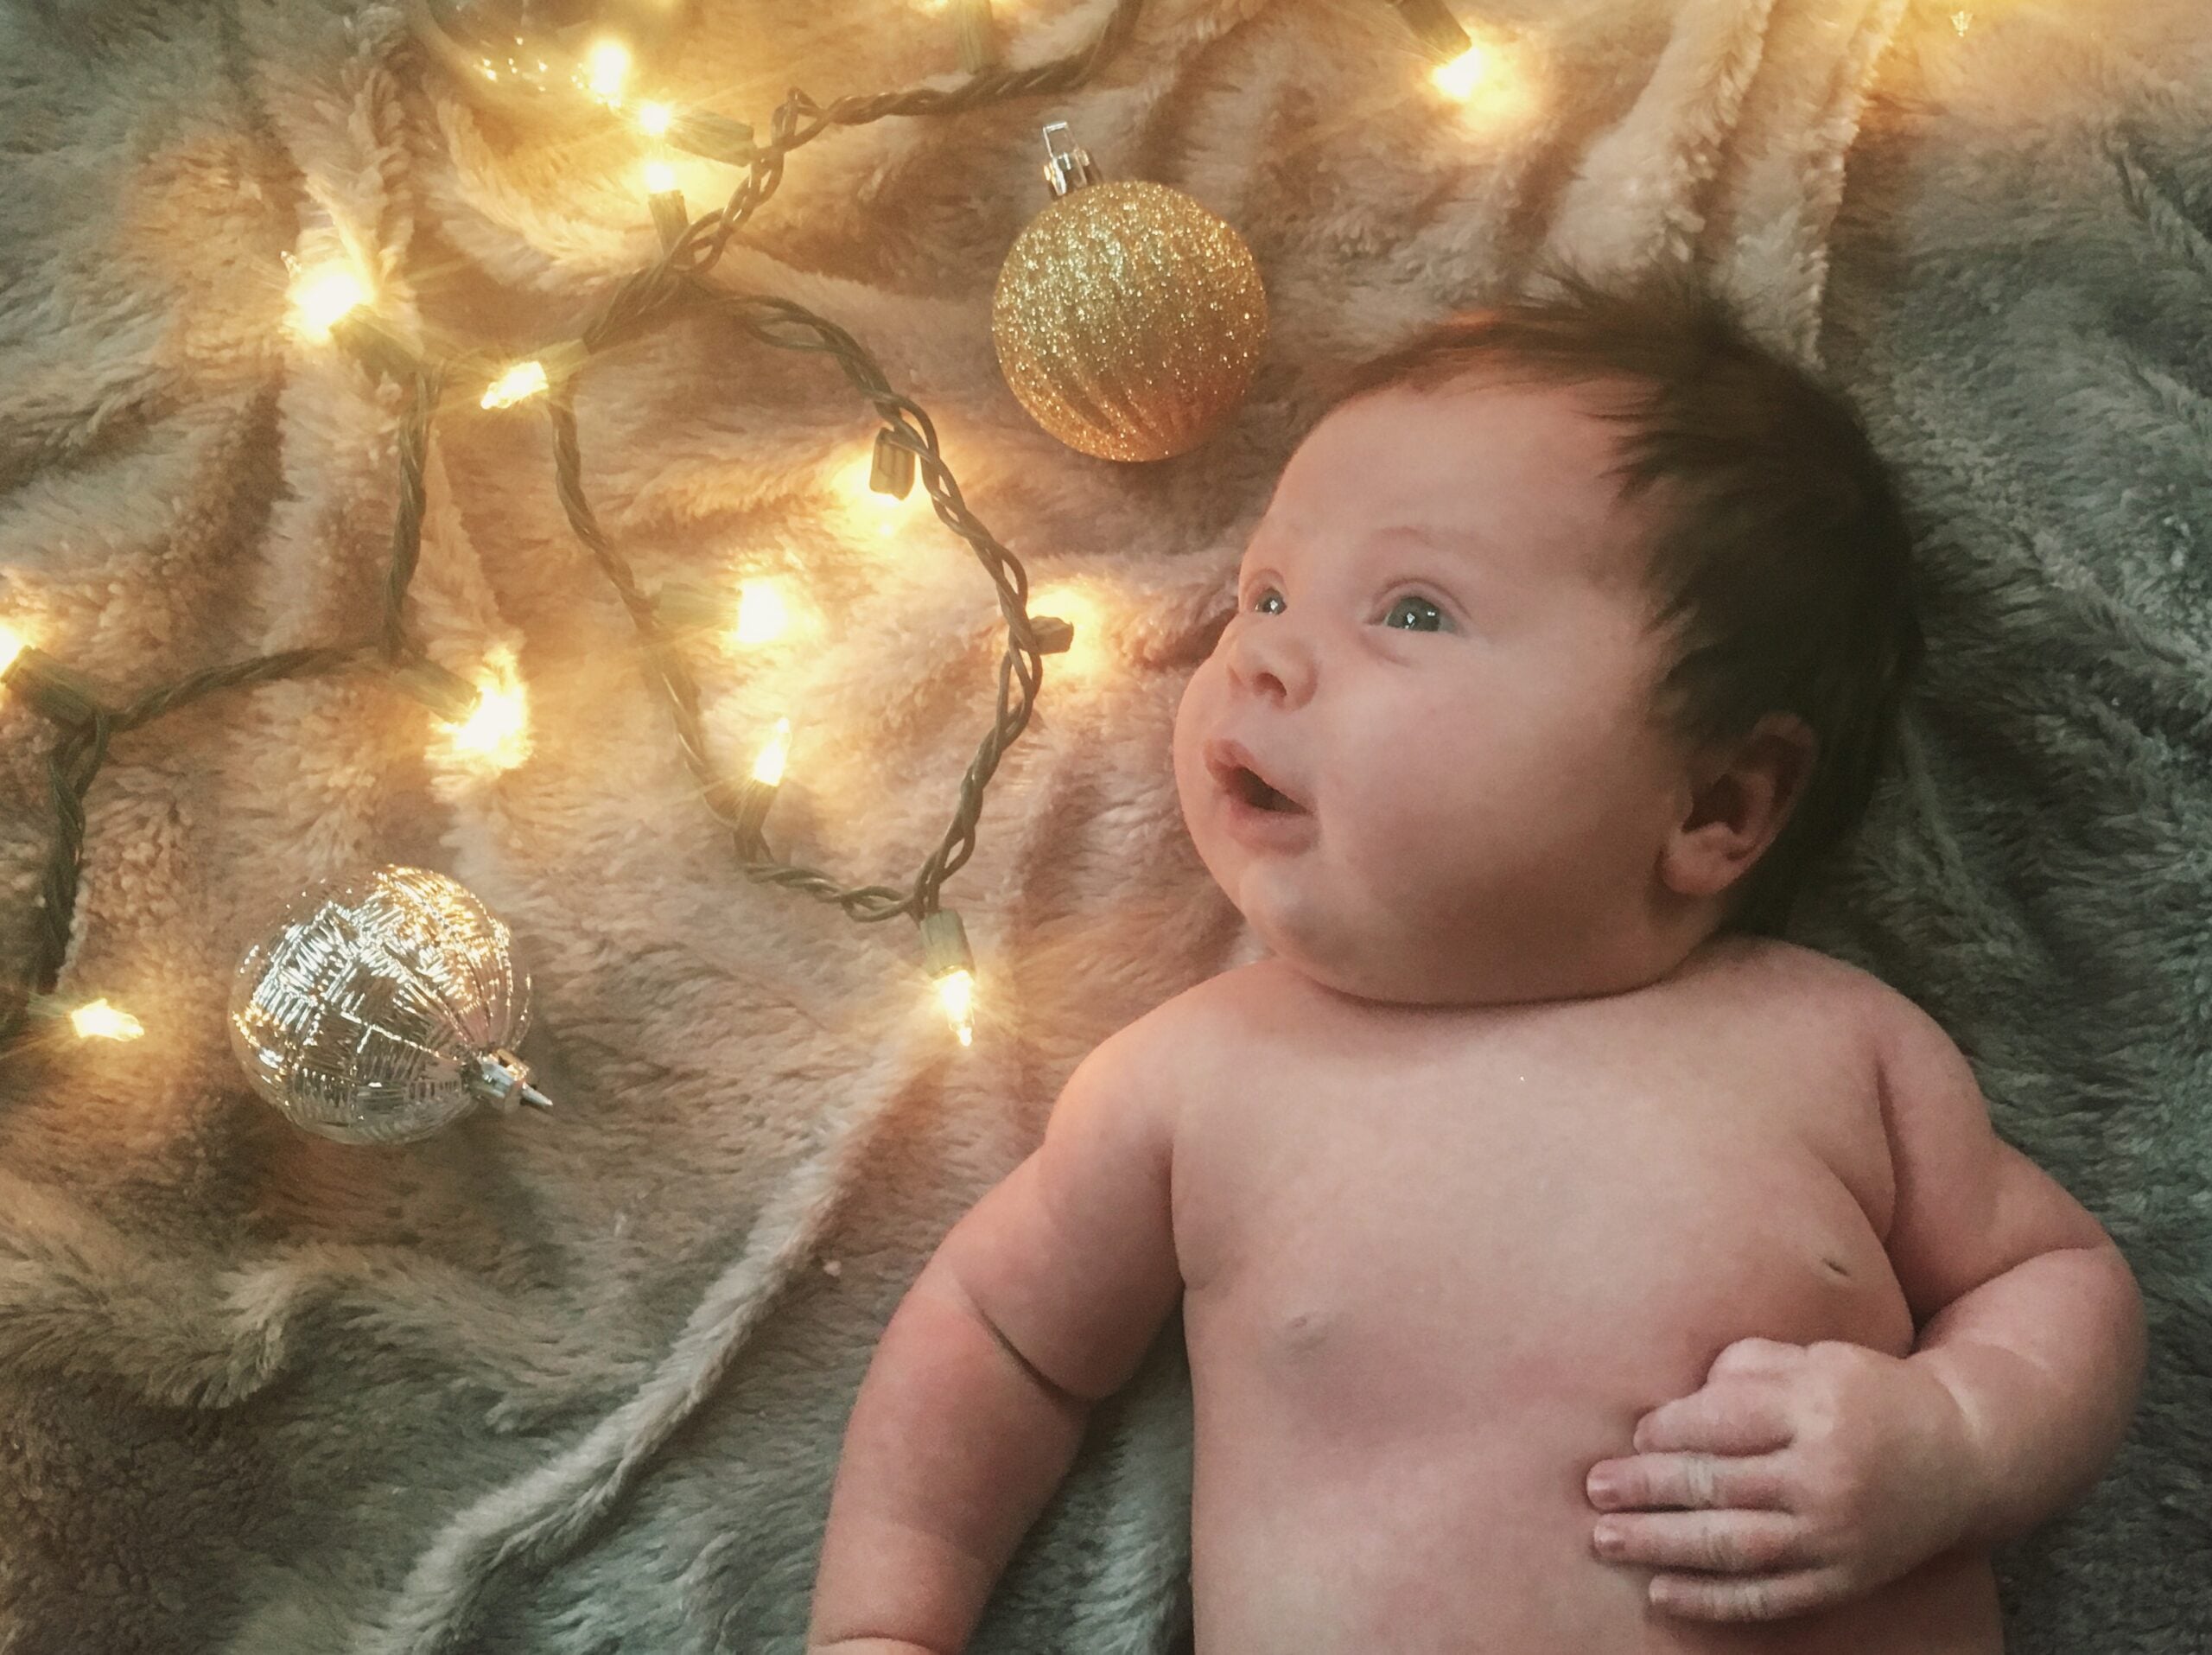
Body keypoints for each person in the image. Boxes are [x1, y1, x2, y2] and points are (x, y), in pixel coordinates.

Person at [804, 277, 2146, 1654]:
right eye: (1266, 592)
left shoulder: (1832, 1045)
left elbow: (2057, 1278)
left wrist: (1952, 1439)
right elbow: (997, 1339)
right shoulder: (1190, 1082)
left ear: (1717, 804)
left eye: (1412, 612)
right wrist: (883, 1625)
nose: (1261, 655)